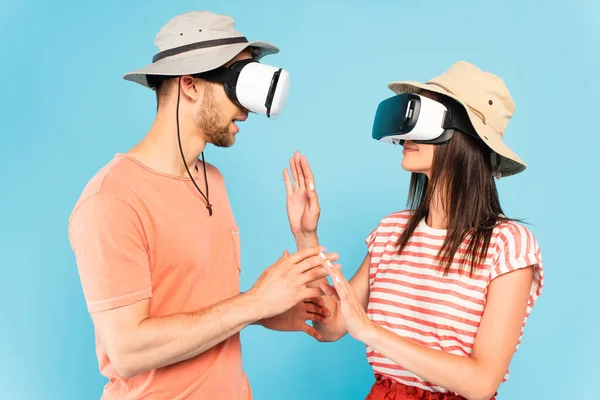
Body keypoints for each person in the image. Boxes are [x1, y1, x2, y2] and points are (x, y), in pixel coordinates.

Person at [68, 10, 337, 400]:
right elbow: (126, 350)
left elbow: (198, 307)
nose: (245, 111)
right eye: (236, 87)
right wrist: (253, 303)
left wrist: (264, 312)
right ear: (190, 85)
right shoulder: (111, 199)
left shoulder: (213, 180)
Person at [284, 61, 544, 400]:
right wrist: (307, 236)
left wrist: (372, 333)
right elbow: (331, 325)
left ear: (465, 137)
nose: (407, 134)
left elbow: (482, 383)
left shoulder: (507, 245)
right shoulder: (392, 231)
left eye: (425, 120)